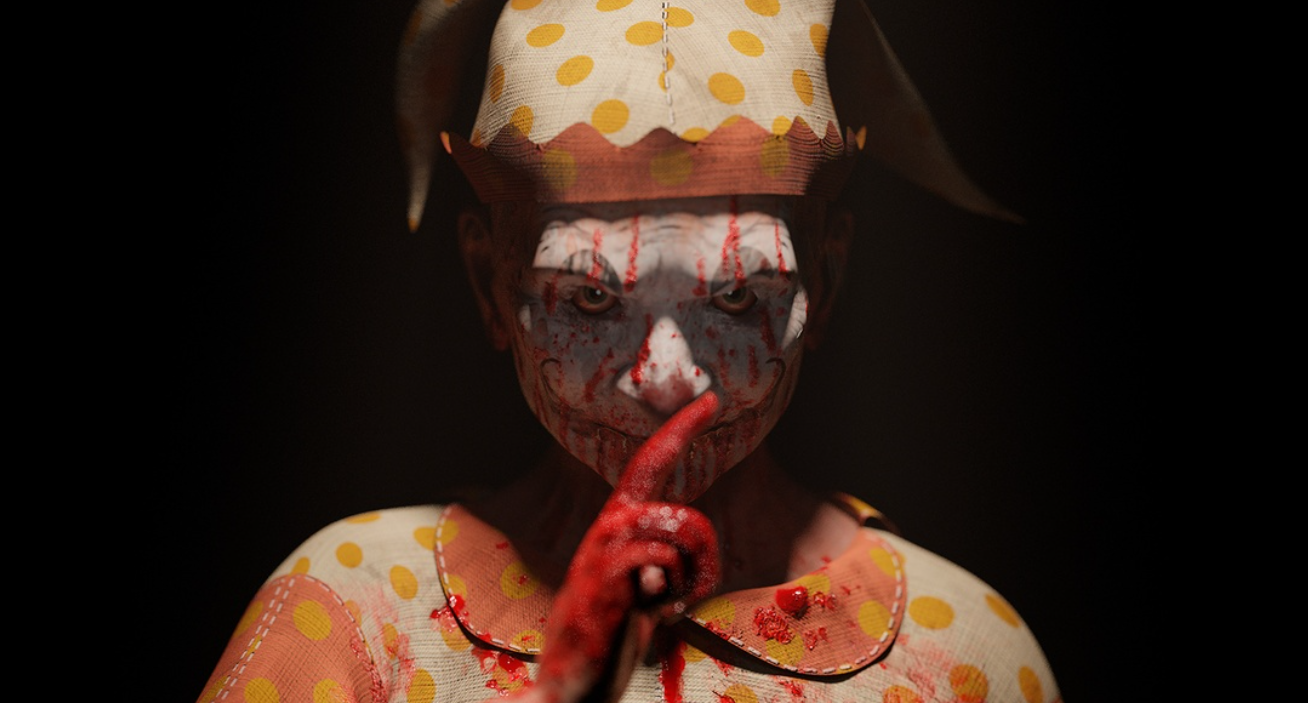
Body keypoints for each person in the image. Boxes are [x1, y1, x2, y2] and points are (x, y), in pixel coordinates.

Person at [198, 1, 1061, 702]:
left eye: (736, 297)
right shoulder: (359, 608)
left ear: (824, 283)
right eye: (591, 298)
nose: (667, 380)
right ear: (490, 283)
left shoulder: (965, 651)